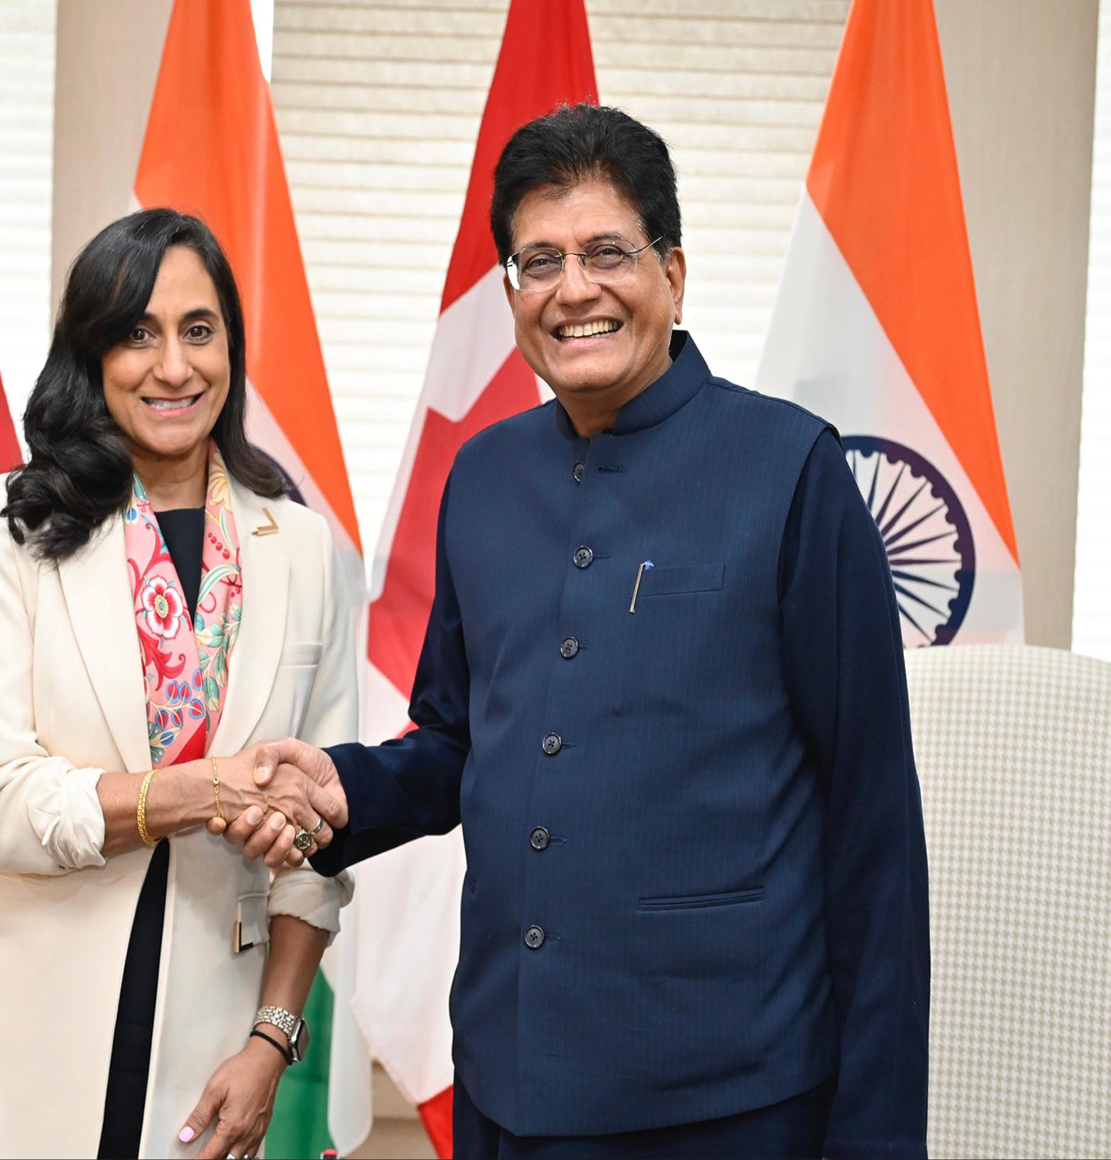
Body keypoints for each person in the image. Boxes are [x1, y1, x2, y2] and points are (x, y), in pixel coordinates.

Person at [236, 105, 931, 1159]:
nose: (573, 289)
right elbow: (459, 740)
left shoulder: (792, 473)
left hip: (729, 1099)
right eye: (538, 261)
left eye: (607, 253)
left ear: (673, 273)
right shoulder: (482, 478)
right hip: (508, 1082)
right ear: (512, 291)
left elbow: (873, 831)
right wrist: (347, 789)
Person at [0, 209, 355, 1160]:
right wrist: (210, 789)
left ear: (232, 348)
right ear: (90, 355)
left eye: (198, 329)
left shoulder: (304, 547)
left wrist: (272, 1041)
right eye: (137, 333)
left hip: (214, 1034)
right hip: (8, 1036)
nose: (173, 367)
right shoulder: (8, 524)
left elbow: (327, 832)